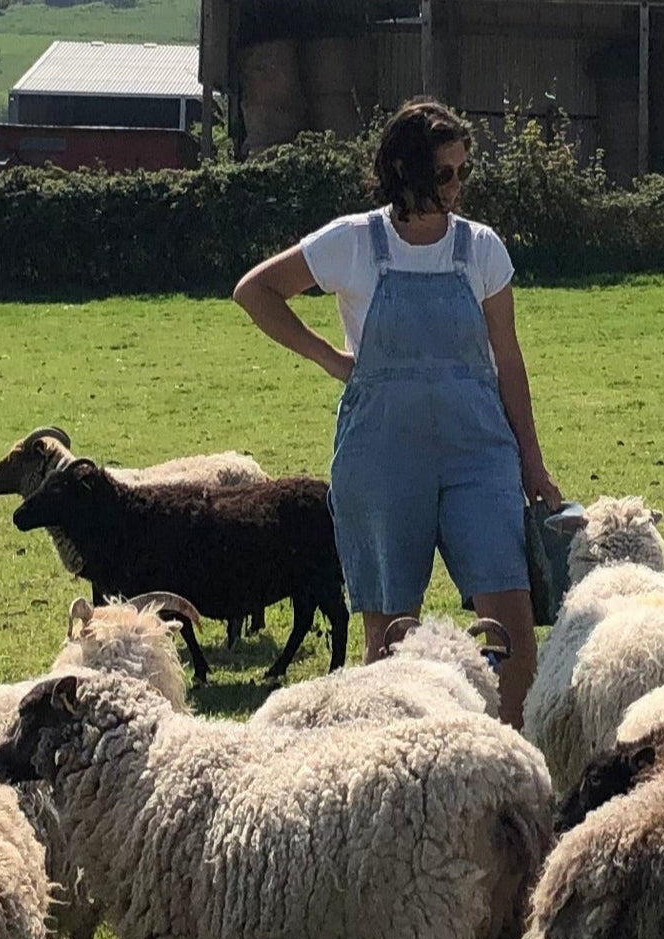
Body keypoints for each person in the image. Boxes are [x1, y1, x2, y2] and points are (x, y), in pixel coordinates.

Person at [234, 100, 561, 725]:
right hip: (381, 462)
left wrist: (532, 464)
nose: (458, 186)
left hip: (479, 457)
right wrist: (331, 357)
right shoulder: (353, 242)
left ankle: (519, 764)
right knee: (389, 635)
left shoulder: (482, 250)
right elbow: (255, 290)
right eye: (445, 174)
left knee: (512, 624)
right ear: (405, 171)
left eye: (463, 171)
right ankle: (392, 769)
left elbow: (510, 363)